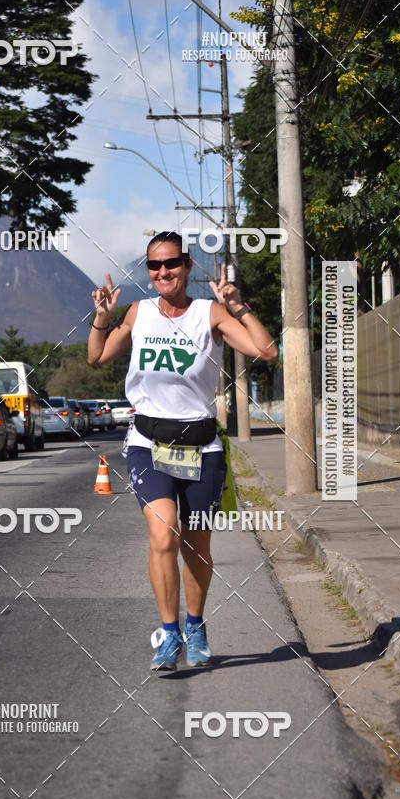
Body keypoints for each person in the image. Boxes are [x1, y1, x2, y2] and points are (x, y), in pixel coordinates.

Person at [88, 231, 278, 671]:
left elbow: (265, 350)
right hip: (147, 443)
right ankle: (169, 633)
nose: (162, 272)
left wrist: (238, 307)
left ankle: (195, 624)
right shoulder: (138, 312)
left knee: (196, 546)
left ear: (188, 266)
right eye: (154, 266)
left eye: (171, 263)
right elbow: (98, 357)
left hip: (202, 447)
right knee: (163, 534)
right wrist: (102, 316)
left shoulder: (208, 314)